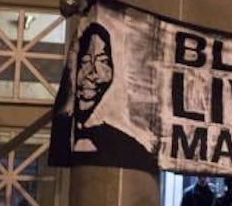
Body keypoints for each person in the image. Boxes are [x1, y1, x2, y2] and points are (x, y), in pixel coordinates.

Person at [50, 21, 155, 170]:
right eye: (85, 61)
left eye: (103, 61)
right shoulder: (62, 133)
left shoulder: (128, 146)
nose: (93, 73)